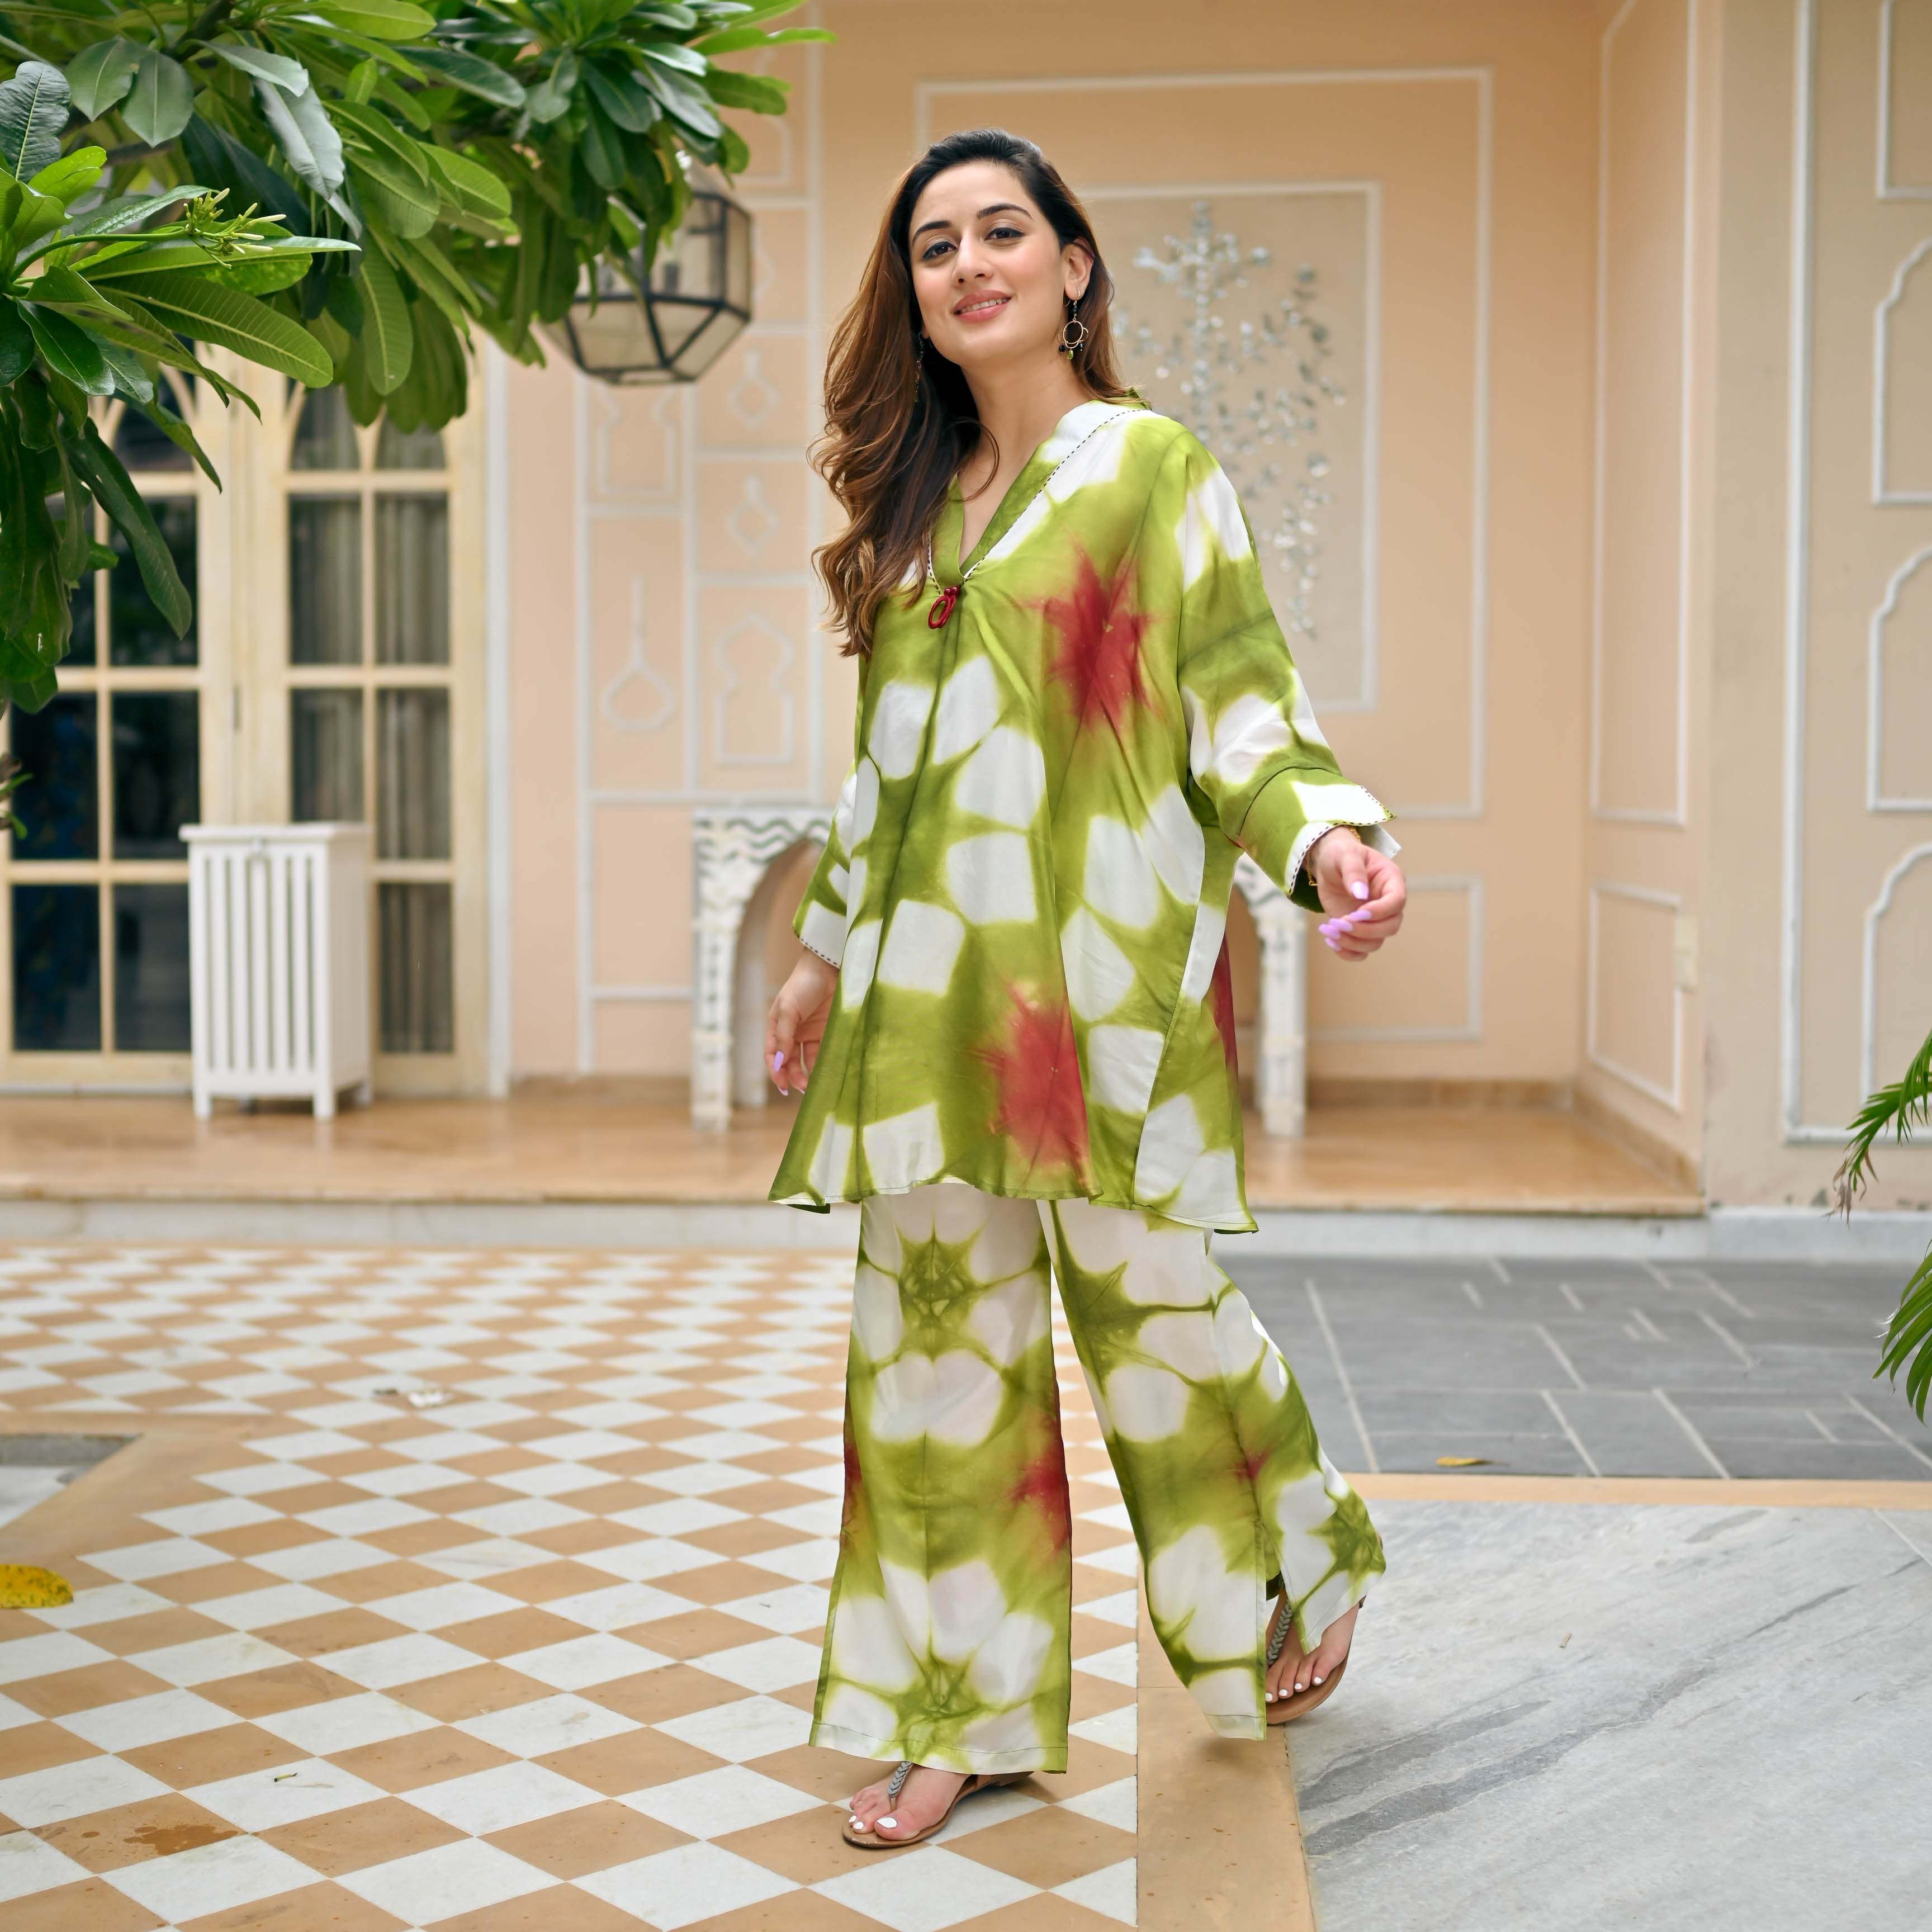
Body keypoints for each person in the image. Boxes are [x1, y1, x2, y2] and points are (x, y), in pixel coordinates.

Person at [763, 126, 1406, 1850]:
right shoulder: (912, 511)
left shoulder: (1152, 470)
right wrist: (822, 956)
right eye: (934, 246)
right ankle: (951, 1716)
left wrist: (1326, 838)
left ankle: (1304, 1549)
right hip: (920, 1006)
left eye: (1001, 231)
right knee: (933, 1361)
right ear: (914, 293)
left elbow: (1240, 701)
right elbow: (883, 775)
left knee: (1162, 1321)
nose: (967, 264)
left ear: (1072, 266)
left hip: (1095, 1009)